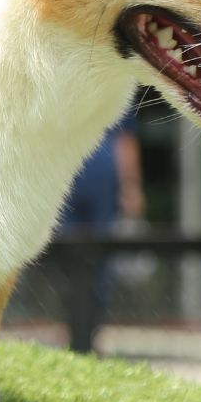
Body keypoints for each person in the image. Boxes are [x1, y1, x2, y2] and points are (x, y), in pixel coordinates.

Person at [57, 109, 144, 352]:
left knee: (98, 261)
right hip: (68, 177)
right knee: (68, 259)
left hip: (97, 180)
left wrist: (131, 187)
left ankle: (90, 334)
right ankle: (75, 332)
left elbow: (125, 138)